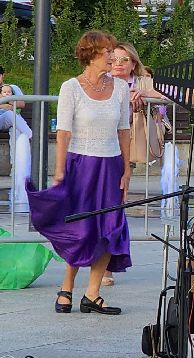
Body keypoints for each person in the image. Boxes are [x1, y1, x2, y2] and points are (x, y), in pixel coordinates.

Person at [28, 31, 133, 316]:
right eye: (109, 51)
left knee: (111, 227)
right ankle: (66, 287)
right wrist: (60, 171)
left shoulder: (121, 88)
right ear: (92, 54)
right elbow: (63, 132)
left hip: (110, 165)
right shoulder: (71, 87)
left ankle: (93, 293)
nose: (114, 56)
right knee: (80, 228)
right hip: (80, 165)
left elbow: (124, 131)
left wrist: (127, 168)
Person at [0, 62, 32, 215]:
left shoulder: (13, 87)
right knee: (13, 117)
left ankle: (16, 167)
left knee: (18, 133)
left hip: (12, 120)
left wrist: (2, 101)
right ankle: (32, 136)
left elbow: (21, 103)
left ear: (3, 75)